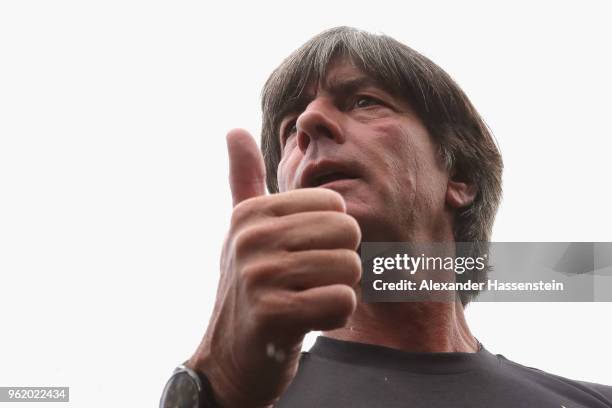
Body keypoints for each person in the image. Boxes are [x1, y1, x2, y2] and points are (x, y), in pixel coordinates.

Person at [159, 27, 612, 407]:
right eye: (289, 125)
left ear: (459, 176)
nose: (308, 124)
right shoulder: (239, 399)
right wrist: (213, 384)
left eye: (362, 101)